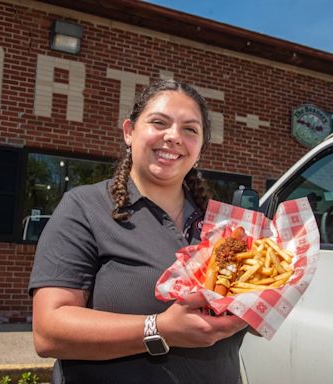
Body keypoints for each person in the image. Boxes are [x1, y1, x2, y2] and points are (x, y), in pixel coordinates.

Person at [28, 79, 248, 384]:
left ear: (199, 149)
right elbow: (49, 332)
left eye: (190, 129)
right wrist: (159, 328)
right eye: (159, 122)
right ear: (129, 132)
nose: (173, 137)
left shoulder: (225, 228)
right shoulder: (85, 207)